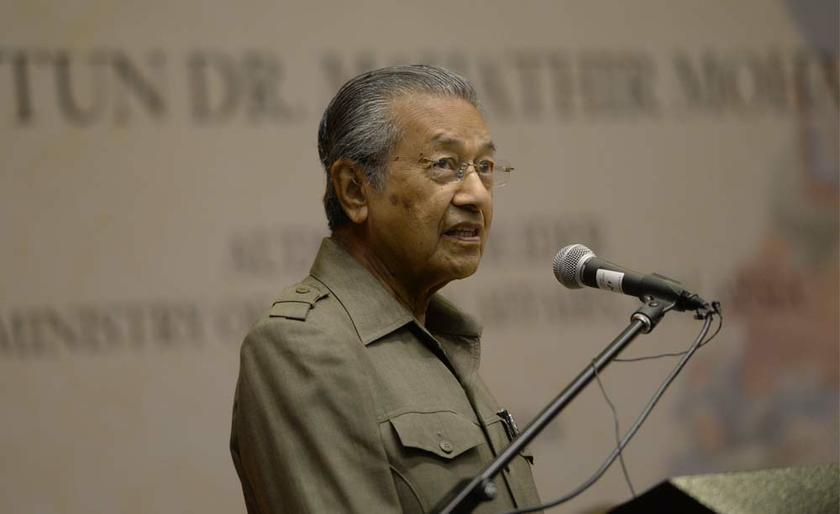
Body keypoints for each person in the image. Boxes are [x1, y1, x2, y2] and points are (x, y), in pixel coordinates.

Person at [230, 64, 541, 513]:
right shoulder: (304, 345)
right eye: (444, 165)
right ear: (355, 191)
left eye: (485, 167)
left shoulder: (439, 337)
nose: (477, 194)